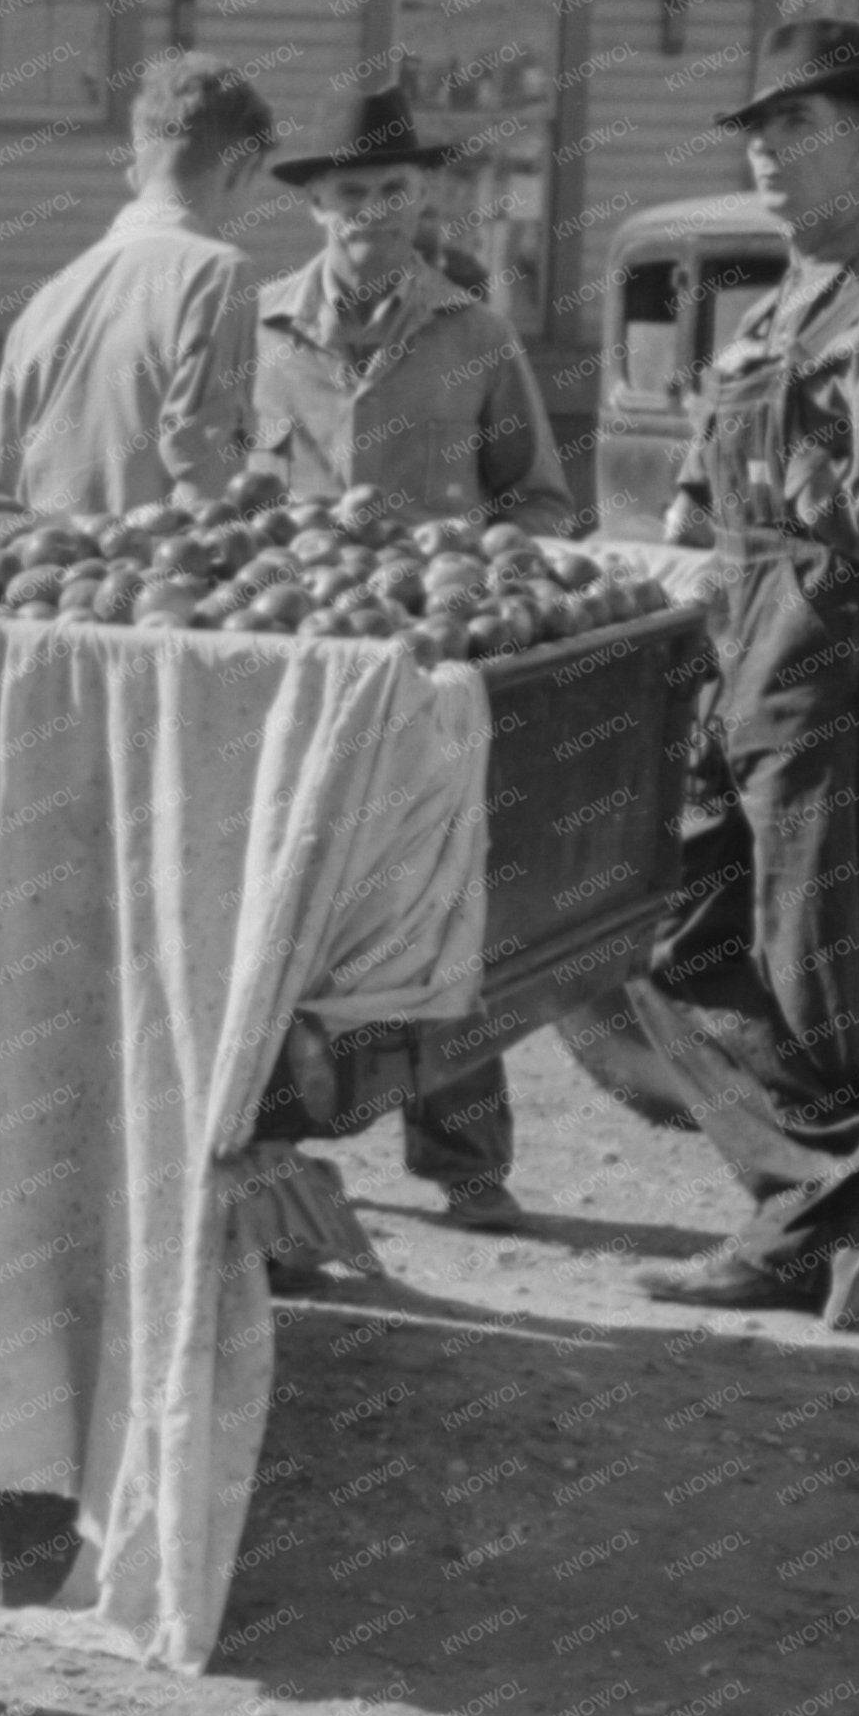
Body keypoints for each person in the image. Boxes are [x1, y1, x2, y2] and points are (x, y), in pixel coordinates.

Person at [628, 21, 859, 1325]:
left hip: (824, 672)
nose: (772, 152)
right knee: (671, 940)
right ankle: (830, 1184)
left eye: (803, 126)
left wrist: (811, 487)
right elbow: (708, 480)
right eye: (761, 132)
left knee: (809, 973)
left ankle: (799, 1229)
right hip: (733, 665)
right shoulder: (773, 308)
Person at [249, 80, 575, 1249]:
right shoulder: (260, 333)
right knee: (284, 909)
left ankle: (465, 1163)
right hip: (287, 678)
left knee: (441, 911)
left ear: (420, 196)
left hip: (429, 676)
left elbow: (540, 505)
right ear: (315, 207)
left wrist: (465, 557)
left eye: (391, 191)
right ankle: (263, 1142)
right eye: (350, 195)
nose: (372, 214)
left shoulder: (474, 336)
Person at [0, 53, 276, 519]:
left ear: (136, 168)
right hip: (148, 580)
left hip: (44, 581)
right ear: (240, 166)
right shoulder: (217, 273)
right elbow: (207, 486)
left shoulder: (48, 300)